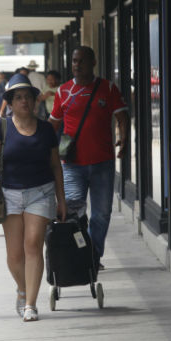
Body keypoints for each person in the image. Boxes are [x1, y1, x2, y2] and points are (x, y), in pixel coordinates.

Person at [0, 73, 67, 322]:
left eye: (28, 97)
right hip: (9, 194)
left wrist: (61, 199)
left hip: (40, 192)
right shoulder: (1, 126)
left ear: (35, 101)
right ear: (10, 103)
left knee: (33, 245)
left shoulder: (45, 129)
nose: (24, 102)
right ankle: (22, 288)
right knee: (14, 255)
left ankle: (30, 304)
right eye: (18, 97)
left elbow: (55, 166)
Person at [49, 46, 129, 270]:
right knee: (73, 212)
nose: (77, 65)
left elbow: (123, 117)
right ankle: (77, 254)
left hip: (103, 163)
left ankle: (93, 257)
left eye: (82, 61)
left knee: (101, 215)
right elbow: (52, 125)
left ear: (93, 63)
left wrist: (124, 140)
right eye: (74, 61)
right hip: (72, 165)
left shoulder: (108, 88)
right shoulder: (63, 92)